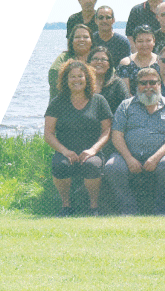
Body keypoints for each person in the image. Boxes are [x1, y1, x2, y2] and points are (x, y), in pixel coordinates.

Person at [105, 68, 165, 215]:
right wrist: (129, 159)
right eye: (143, 83)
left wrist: (155, 158)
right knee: (112, 166)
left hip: (160, 157)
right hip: (127, 155)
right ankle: (128, 209)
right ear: (137, 86)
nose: (148, 86)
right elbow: (116, 135)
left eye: (152, 82)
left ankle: (161, 210)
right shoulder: (125, 106)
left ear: (159, 85)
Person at [44, 60, 112, 217]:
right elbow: (48, 133)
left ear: (87, 79)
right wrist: (65, 151)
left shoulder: (99, 101)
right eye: (72, 77)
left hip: (92, 152)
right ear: (65, 80)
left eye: (80, 76)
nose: (76, 80)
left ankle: (93, 207)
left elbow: (107, 130)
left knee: (92, 166)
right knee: (60, 166)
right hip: (65, 151)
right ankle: (66, 207)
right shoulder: (58, 103)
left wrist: (93, 150)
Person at [48, 24, 93, 101]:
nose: (81, 39)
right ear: (71, 41)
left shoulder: (97, 58)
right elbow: (54, 73)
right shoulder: (63, 58)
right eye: (77, 37)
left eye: (85, 37)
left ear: (91, 41)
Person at [87, 46, 130, 115]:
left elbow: (126, 108)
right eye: (95, 59)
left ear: (109, 65)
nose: (99, 62)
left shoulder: (117, 84)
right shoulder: (83, 84)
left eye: (103, 59)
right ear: (89, 63)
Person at [117, 25, 158, 95]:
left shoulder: (161, 62)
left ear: (154, 41)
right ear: (134, 42)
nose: (144, 45)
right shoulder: (126, 63)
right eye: (140, 41)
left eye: (148, 41)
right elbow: (125, 93)